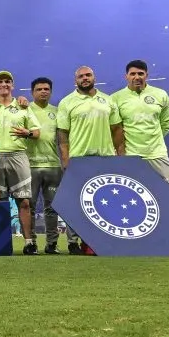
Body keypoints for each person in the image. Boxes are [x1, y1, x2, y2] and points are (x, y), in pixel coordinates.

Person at [110, 59, 169, 254]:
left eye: (141, 74)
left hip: (158, 154)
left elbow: (165, 122)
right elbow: (116, 129)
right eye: (133, 74)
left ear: (147, 75)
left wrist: (154, 141)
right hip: (131, 157)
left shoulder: (160, 95)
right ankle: (135, 242)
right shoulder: (116, 98)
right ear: (126, 76)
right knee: (131, 200)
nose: (137, 77)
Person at [57, 65, 124, 255]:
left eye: (88, 75)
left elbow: (117, 130)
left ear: (94, 77)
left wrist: (121, 158)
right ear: (75, 80)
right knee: (79, 205)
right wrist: (66, 162)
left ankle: (103, 242)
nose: (85, 78)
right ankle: (77, 243)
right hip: (79, 159)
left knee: (106, 203)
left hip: (106, 158)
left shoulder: (108, 100)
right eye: (81, 76)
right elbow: (63, 136)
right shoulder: (67, 102)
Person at [0, 71, 41, 254]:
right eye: (0, 82)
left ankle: (29, 243)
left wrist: (27, 133)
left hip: (18, 155)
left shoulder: (22, 106)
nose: (4, 84)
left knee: (24, 201)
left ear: (13, 86)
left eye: (7, 81)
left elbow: (37, 132)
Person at [27, 77, 63, 254]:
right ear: (32, 92)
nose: (43, 91)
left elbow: (63, 140)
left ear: (51, 91)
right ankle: (31, 243)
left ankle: (51, 244)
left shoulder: (57, 112)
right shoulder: (24, 110)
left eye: (46, 89)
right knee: (30, 206)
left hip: (53, 166)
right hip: (30, 166)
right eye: (39, 89)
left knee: (52, 207)